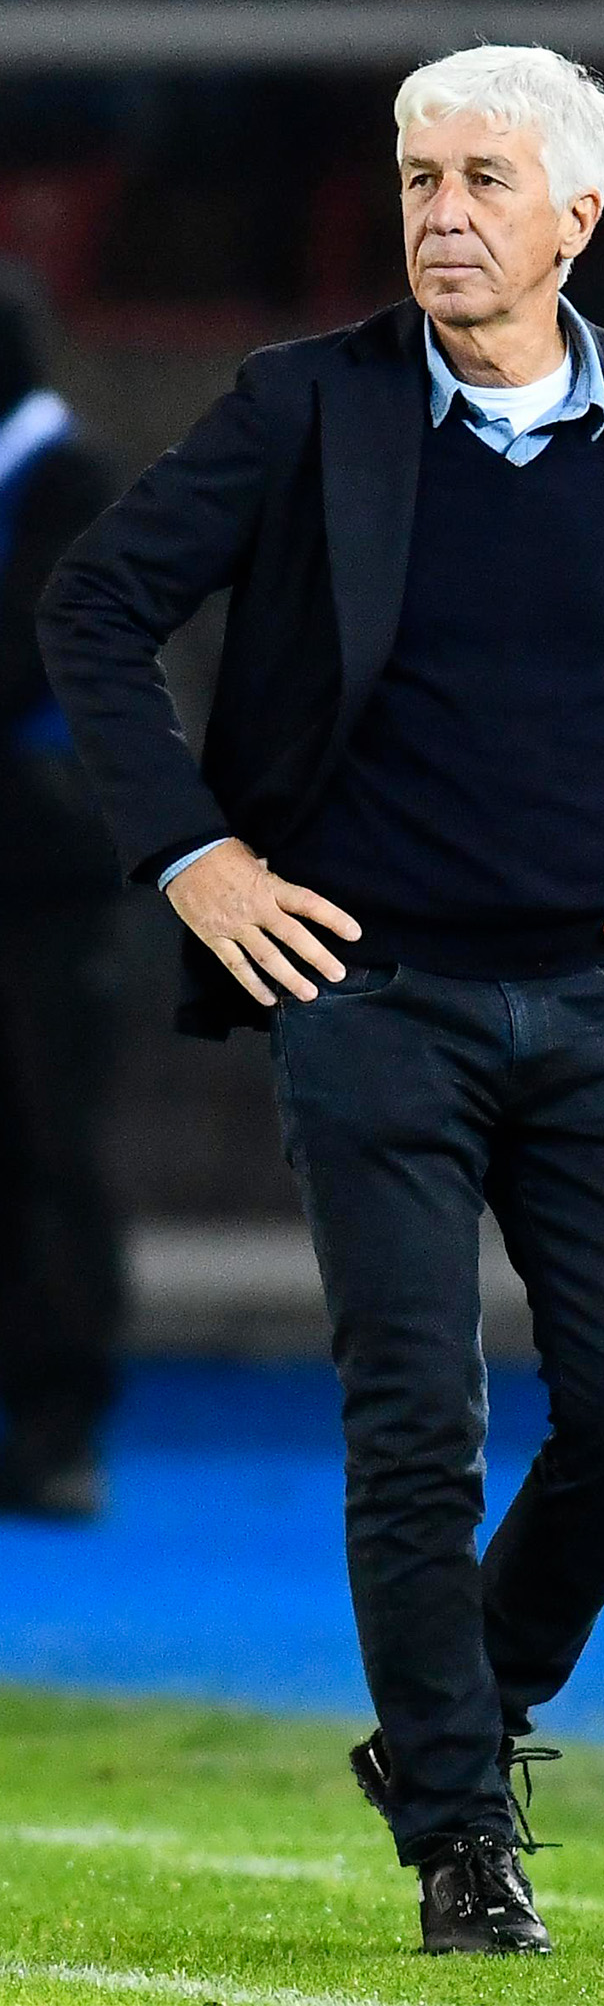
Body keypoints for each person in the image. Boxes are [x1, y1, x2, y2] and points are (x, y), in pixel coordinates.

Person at [35, 44, 604, 1954]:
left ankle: (453, 1715)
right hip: (371, 997)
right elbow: (93, 603)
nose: (442, 214)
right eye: (419, 178)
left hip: (597, 998)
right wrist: (196, 854)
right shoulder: (301, 406)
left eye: (485, 180)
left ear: (579, 213)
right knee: (414, 1415)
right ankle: (462, 1838)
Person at [0, 257, 126, 1523]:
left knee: (50, 1141)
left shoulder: (65, 479)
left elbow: (25, 650)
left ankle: (58, 1419)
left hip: (44, 871)